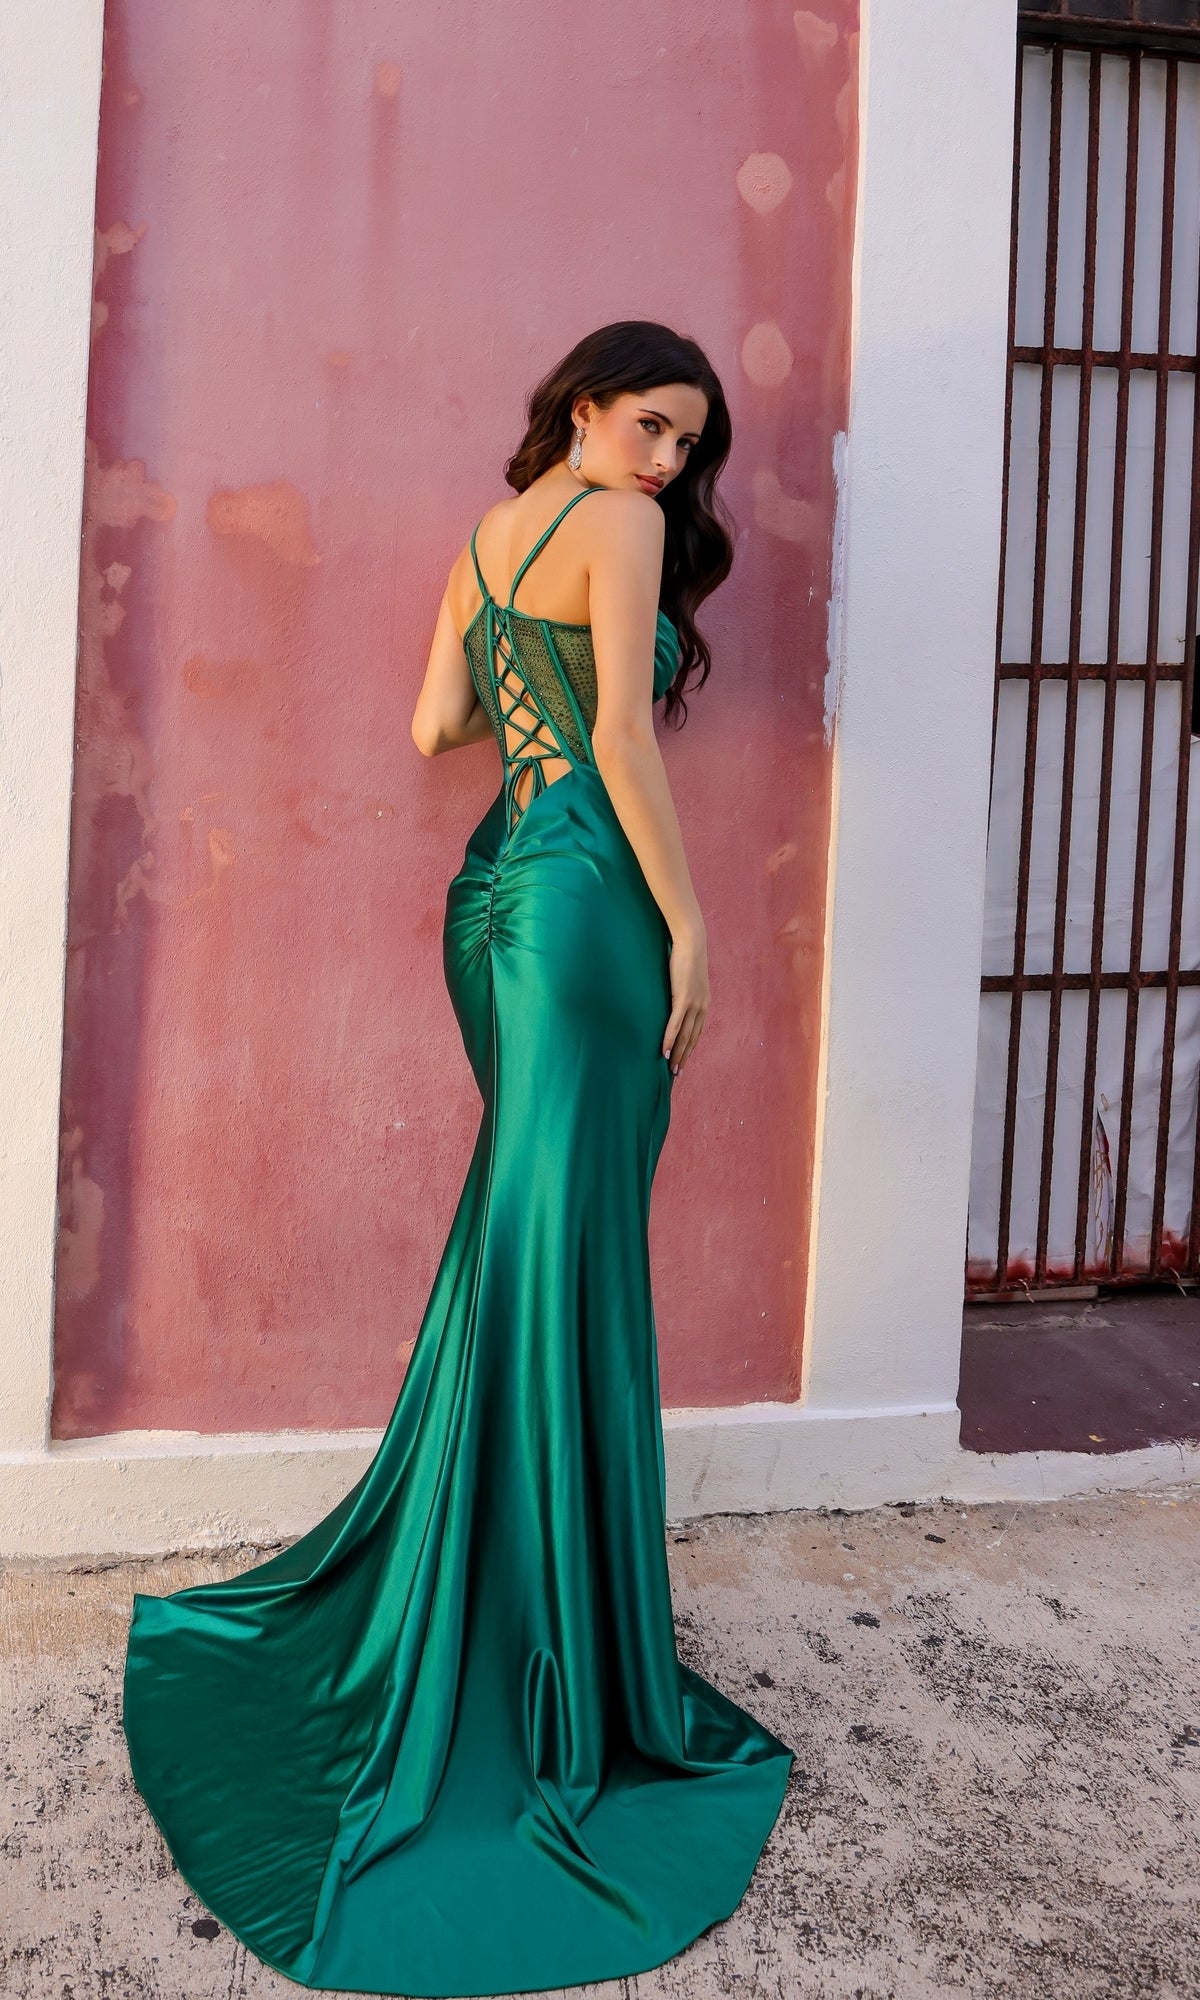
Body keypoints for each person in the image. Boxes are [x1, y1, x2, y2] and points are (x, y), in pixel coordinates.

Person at [122, 320, 794, 1998]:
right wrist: (693, 929)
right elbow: (628, 749)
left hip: (489, 906)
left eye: (683, 445)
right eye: (649, 425)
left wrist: (535, 704)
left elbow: (438, 727)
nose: (664, 465)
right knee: (559, 1253)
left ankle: (493, 1604)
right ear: (583, 408)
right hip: (584, 910)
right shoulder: (621, 529)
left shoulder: (487, 541)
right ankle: (545, 1659)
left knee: (528, 1245)